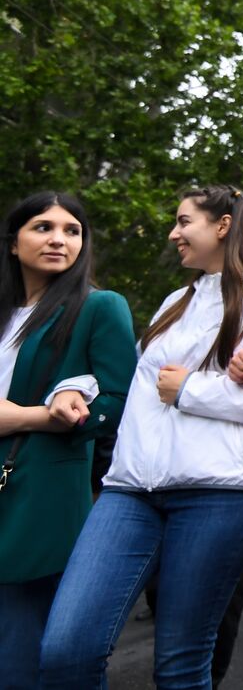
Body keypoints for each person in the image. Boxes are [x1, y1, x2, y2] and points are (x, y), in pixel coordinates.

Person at [39, 185, 243, 688]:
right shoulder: (174, 301)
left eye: (184, 221)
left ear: (223, 226)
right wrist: (75, 386)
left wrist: (192, 390)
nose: (174, 233)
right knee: (65, 651)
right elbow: (134, 384)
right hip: (130, 491)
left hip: (222, 493)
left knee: (181, 664)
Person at [0, 193, 136, 689]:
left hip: (40, 495)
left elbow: (119, 401)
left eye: (72, 230)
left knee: (32, 661)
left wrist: (25, 418)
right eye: (42, 227)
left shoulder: (99, 307)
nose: (59, 239)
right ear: (13, 244)